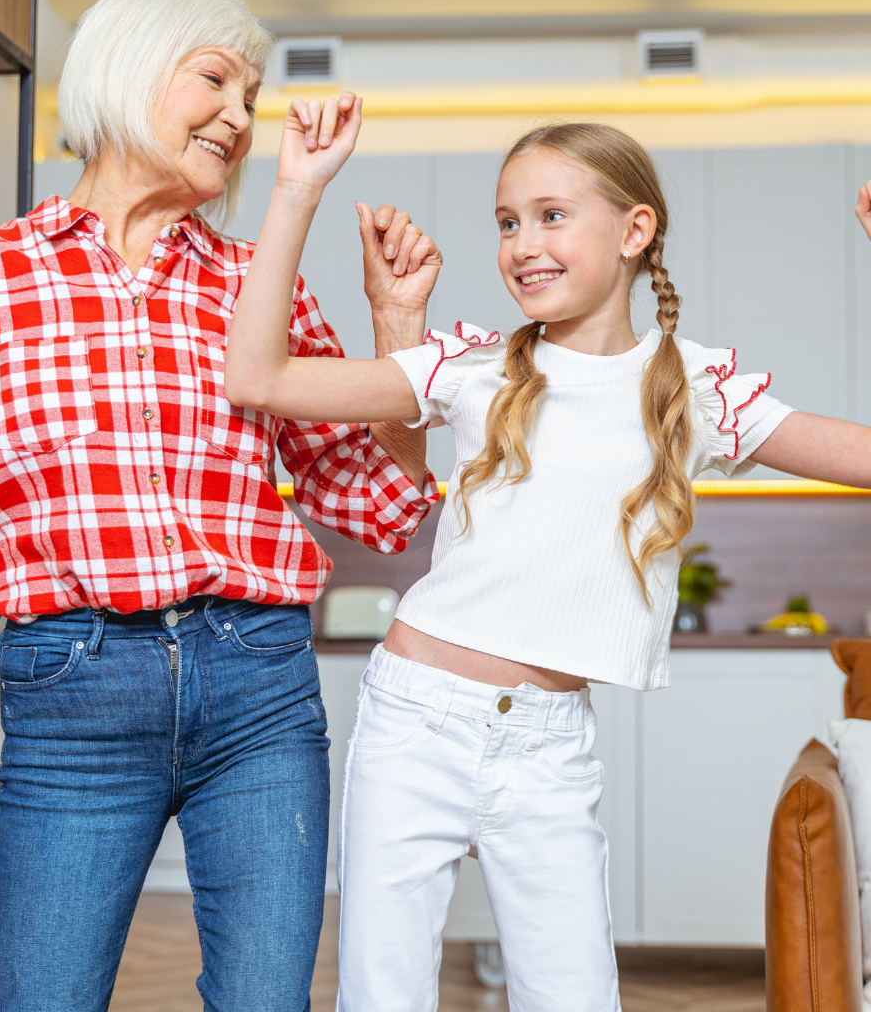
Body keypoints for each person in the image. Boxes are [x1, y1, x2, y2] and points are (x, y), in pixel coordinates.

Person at [0, 0, 440, 1012]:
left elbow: (382, 505)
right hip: (74, 696)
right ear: (128, 71)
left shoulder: (254, 285)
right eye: (216, 80)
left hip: (260, 684)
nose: (241, 115)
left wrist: (399, 330)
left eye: (254, 95)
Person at [224, 100, 871, 1011]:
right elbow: (259, 378)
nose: (523, 242)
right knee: (381, 998)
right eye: (507, 221)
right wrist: (297, 189)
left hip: (548, 749)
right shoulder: (470, 367)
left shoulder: (698, 389)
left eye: (553, 215)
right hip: (415, 723)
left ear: (636, 230)